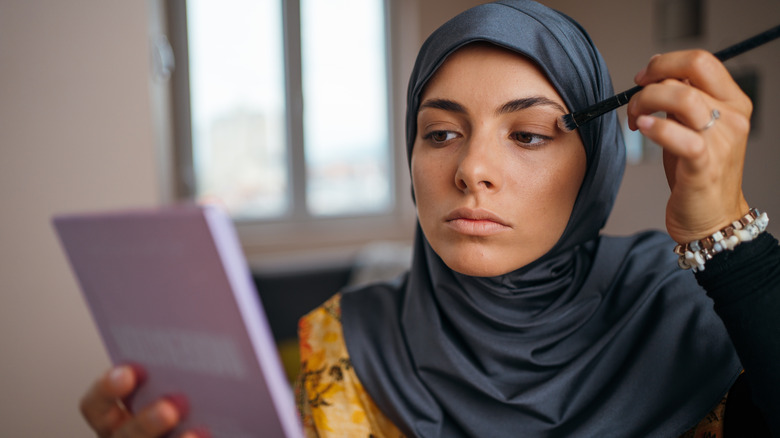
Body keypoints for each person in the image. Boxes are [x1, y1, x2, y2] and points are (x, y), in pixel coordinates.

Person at [80, 1, 780, 436]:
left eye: (528, 134)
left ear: (593, 159)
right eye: (440, 133)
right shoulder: (344, 344)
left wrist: (727, 233)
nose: (470, 169)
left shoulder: (692, 306)